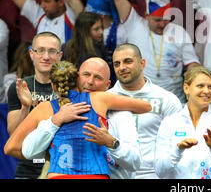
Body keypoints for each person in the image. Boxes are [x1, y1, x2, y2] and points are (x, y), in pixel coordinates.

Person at [4, 60, 151, 179]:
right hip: (95, 175)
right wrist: (49, 151)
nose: (90, 82)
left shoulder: (45, 108)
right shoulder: (100, 98)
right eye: (86, 74)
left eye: (98, 77)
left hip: (59, 174)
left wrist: (111, 142)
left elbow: (13, 148)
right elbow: (146, 106)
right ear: (77, 77)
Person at [113, 0, 200, 103]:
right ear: (146, 15)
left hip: (174, 100)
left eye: (166, 19)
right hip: (140, 99)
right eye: (157, 20)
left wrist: (193, 73)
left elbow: (191, 62)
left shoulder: (179, 32)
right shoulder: (135, 25)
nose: (162, 24)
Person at [109, 43, 182, 178]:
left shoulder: (167, 99)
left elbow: (177, 145)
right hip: (116, 175)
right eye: (117, 64)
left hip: (153, 175)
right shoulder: (106, 100)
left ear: (142, 63)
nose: (122, 67)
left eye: (128, 61)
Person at [154, 66, 211, 179]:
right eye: (200, 86)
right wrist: (178, 150)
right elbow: (159, 171)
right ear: (186, 88)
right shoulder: (170, 122)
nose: (206, 91)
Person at [6, 32, 62, 178]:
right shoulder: (20, 86)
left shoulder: (68, 86)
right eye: (40, 50)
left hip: (61, 168)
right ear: (32, 54)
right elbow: (13, 134)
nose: (46, 56)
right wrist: (25, 107)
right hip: (27, 169)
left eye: (52, 51)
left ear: (60, 56)